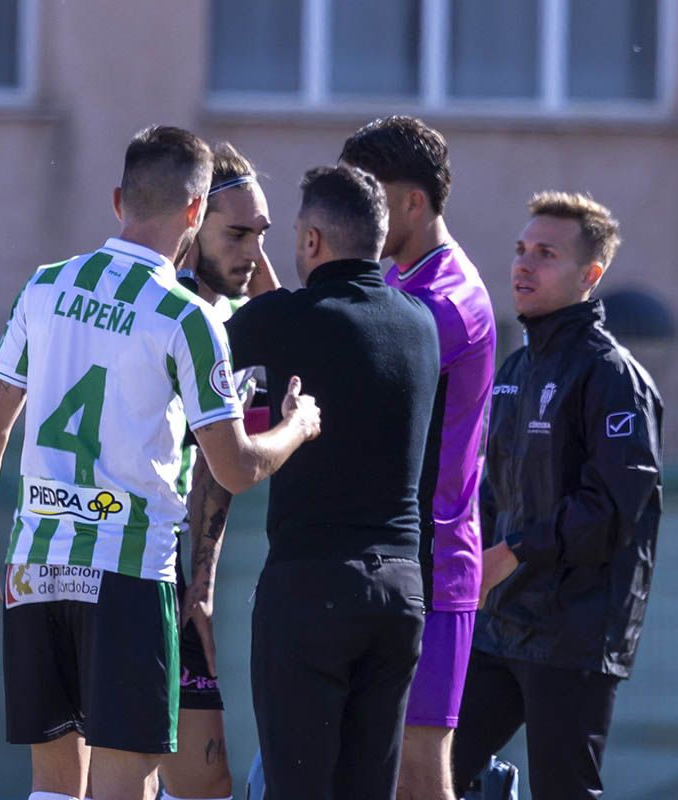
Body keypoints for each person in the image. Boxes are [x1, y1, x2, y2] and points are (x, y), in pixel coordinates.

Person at [0, 126, 320, 800]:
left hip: (35, 569)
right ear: (196, 213)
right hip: (126, 573)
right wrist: (296, 428)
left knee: (56, 789)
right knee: (127, 788)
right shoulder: (183, 316)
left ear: (119, 198)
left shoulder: (45, 285)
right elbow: (234, 468)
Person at [209, 164, 440, 799]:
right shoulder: (420, 325)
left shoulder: (287, 320)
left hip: (313, 588)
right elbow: (321, 323)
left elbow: (207, 345)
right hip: (399, 592)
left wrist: (237, 245)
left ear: (310, 241)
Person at [451, 192, 664, 800]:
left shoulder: (612, 376)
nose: (523, 264)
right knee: (427, 771)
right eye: (521, 250)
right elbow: (492, 493)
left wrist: (511, 553)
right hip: (500, 624)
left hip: (575, 633)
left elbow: (612, 511)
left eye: (545, 253)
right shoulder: (515, 371)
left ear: (589, 276)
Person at [340, 115, 497, 800]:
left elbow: (361, 364)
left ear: (412, 202)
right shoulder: (400, 282)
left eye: (370, 195)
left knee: (418, 766)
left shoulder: (450, 298)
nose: (360, 214)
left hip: (434, 563)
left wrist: (279, 305)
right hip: (386, 557)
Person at [160, 141, 277, 800]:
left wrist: (201, 581)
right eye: (235, 233)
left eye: (261, 235)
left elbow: (289, 326)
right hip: (136, 554)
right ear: (191, 219)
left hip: (184, 562)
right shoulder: (165, 308)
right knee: (172, 775)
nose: (252, 253)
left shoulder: (239, 320)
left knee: (196, 780)